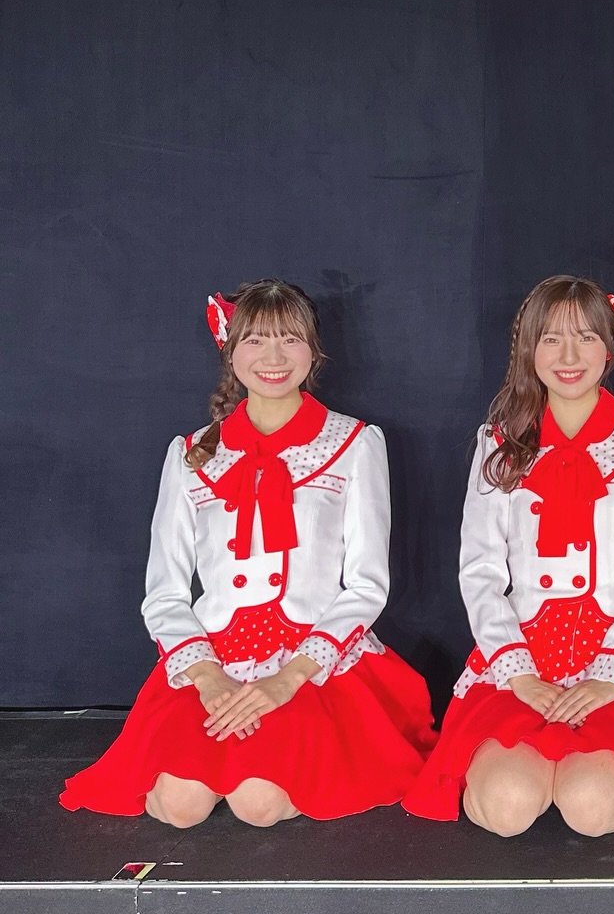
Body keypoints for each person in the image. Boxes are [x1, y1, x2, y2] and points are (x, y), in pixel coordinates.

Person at [61, 280, 435, 825]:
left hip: (314, 659)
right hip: (212, 657)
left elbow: (367, 584)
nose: (273, 358)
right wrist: (207, 676)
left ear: (313, 350)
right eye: (255, 340)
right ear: (230, 351)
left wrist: (289, 678)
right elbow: (164, 592)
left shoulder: (354, 443)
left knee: (259, 804)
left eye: (289, 339)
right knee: (179, 807)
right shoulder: (190, 453)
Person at [404, 276, 614, 835]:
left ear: (608, 349)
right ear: (528, 348)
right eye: (551, 339)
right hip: (522, 652)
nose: (569, 356)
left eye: (586, 338)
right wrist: (517, 673)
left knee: (591, 807)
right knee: (506, 806)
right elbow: (480, 571)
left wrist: (613, 674)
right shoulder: (499, 441)